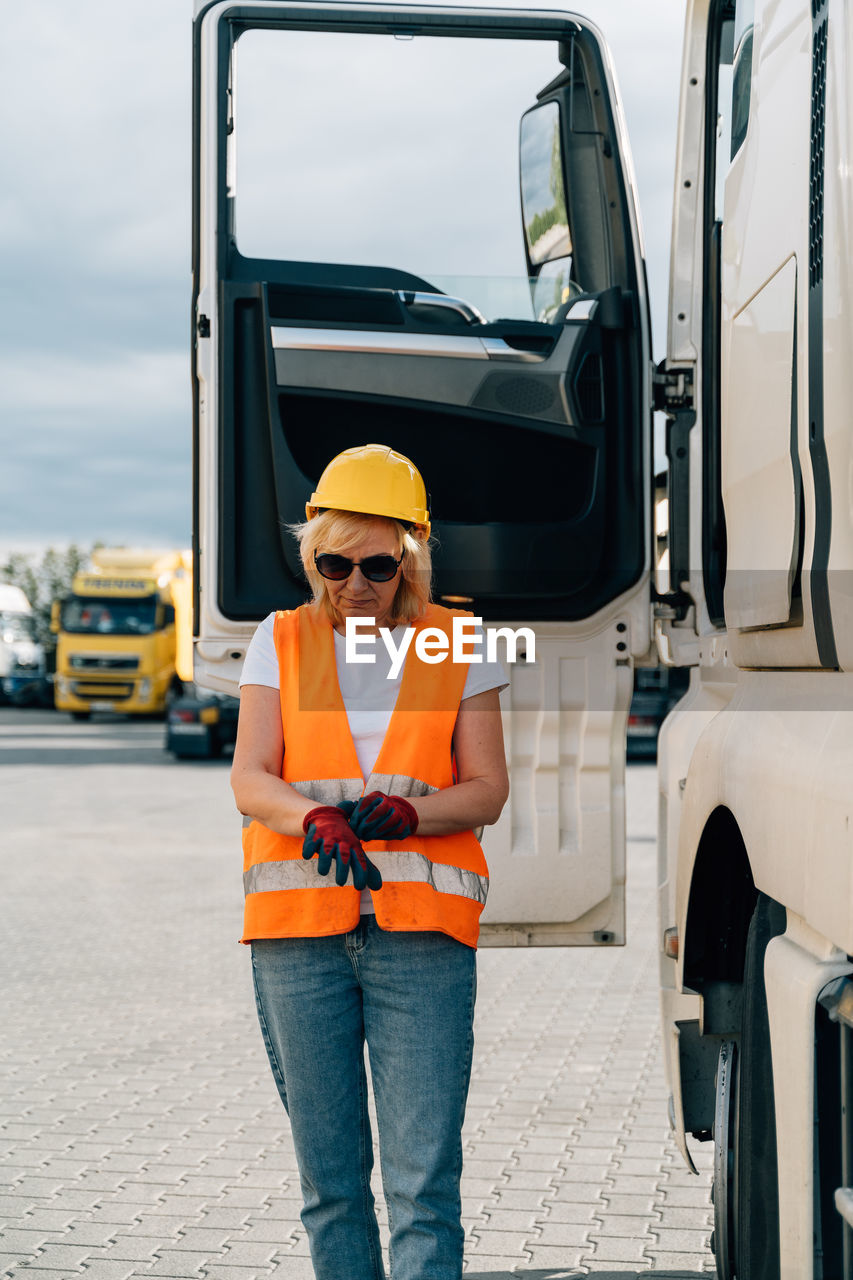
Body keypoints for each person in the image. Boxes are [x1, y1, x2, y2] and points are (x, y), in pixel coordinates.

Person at [231, 442, 509, 1280]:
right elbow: (250, 778)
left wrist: (411, 815)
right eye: (334, 561)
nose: (355, 583)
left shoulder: (456, 641)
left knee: (424, 1188)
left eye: (378, 564)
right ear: (310, 554)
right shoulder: (278, 640)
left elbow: (488, 789)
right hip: (296, 939)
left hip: (420, 939)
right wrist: (311, 814)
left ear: (410, 559)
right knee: (332, 1188)